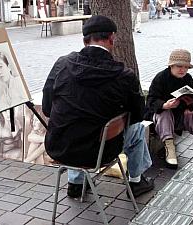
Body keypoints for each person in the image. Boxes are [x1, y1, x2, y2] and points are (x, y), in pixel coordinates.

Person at [42, 15, 154, 199]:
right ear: (112, 38)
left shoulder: (62, 63)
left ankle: (76, 184)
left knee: (78, 124)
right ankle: (136, 181)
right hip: (99, 153)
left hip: (59, 147)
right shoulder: (125, 76)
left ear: (84, 40)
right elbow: (137, 115)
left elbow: (47, 108)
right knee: (137, 129)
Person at [144, 49, 193, 169]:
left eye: (186, 67)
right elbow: (151, 100)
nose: (182, 70)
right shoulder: (161, 78)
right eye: (179, 66)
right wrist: (164, 105)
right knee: (164, 114)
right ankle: (170, 148)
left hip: (180, 114)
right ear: (171, 65)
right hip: (161, 116)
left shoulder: (188, 78)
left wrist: (190, 106)